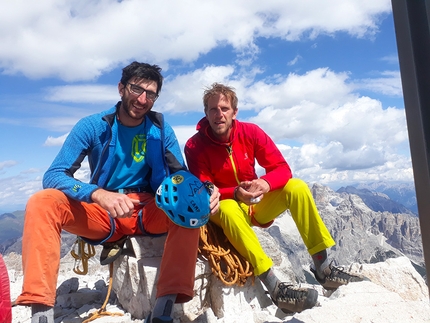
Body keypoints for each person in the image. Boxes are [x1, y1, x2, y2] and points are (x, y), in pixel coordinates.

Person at [14, 62, 220, 323]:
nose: (142, 99)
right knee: (42, 202)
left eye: (151, 94)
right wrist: (98, 194)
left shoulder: (159, 128)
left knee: (190, 207)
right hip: (104, 211)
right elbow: (54, 175)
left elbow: (181, 175)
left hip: (148, 207)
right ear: (121, 88)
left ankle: (164, 311)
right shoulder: (93, 126)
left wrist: (206, 190)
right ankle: (41, 313)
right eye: (136, 89)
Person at [184, 83, 364, 314]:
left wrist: (265, 183)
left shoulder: (251, 133)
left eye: (224, 108)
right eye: (213, 109)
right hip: (226, 207)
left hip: (256, 205)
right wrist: (235, 193)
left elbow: (282, 168)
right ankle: (276, 287)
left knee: (297, 187)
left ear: (234, 112)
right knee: (228, 208)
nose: (219, 114)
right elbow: (205, 188)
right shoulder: (194, 145)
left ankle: (323, 268)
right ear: (206, 113)